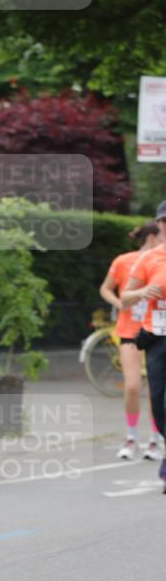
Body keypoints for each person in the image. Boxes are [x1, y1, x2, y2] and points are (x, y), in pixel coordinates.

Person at [99, 221, 161, 459]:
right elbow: (106, 289)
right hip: (129, 331)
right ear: (151, 238)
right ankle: (131, 437)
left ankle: (155, 440)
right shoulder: (124, 261)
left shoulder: (161, 261)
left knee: (156, 390)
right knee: (133, 386)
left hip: (155, 331)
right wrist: (120, 304)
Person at [121, 200, 166, 493]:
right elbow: (125, 296)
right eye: (164, 221)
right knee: (159, 400)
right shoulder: (150, 258)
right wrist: (141, 292)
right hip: (157, 336)